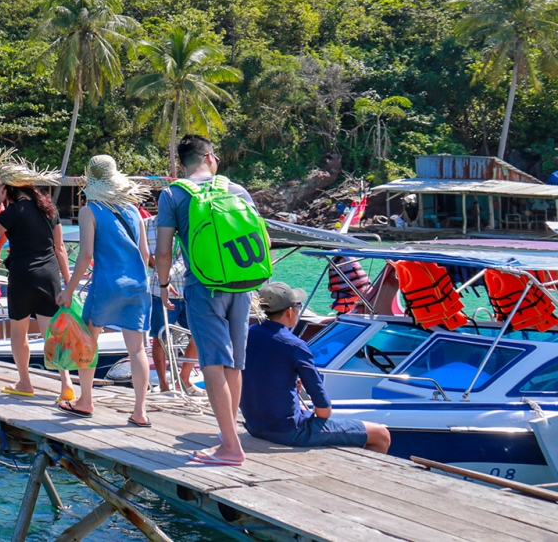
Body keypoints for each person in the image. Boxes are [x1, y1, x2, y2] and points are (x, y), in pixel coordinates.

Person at [155, 134, 258, 466]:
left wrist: (163, 283)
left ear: (181, 165)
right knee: (235, 362)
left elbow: (165, 249)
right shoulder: (235, 189)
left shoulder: (173, 194)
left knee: (212, 361)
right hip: (242, 282)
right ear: (211, 157)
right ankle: (228, 436)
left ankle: (230, 447)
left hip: (203, 285)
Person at [243, 282, 390, 454]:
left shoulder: (247, 334)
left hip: (254, 426)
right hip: (287, 431)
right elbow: (322, 408)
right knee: (381, 434)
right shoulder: (294, 345)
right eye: (298, 305)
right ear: (290, 311)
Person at [61, 155, 152, 425]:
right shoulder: (134, 210)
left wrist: (69, 289)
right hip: (138, 284)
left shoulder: (91, 210)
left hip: (107, 284)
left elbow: (86, 253)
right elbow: (145, 254)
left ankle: (85, 400)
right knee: (137, 350)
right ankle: (140, 412)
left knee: (89, 340)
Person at [0, 156, 73, 400]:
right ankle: (66, 384)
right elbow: (60, 248)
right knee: (51, 333)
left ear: (7, 189)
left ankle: (25, 382)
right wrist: (68, 283)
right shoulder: (49, 208)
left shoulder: (14, 211)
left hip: (22, 275)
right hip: (49, 274)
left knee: (19, 332)